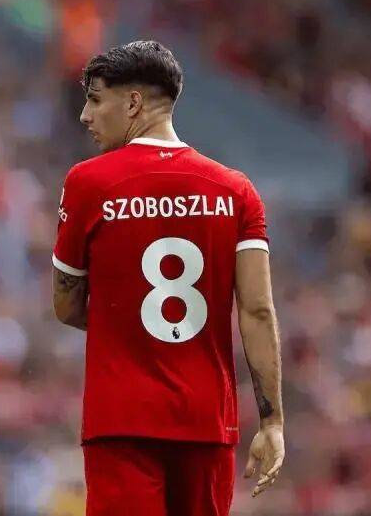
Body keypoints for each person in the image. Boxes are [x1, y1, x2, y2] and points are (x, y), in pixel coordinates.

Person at [52, 41, 284, 516]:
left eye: (95, 99)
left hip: (121, 420)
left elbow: (66, 304)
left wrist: (123, 322)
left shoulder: (88, 183)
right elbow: (257, 311)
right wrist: (272, 422)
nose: (85, 115)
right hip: (206, 421)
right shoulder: (236, 191)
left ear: (133, 103)